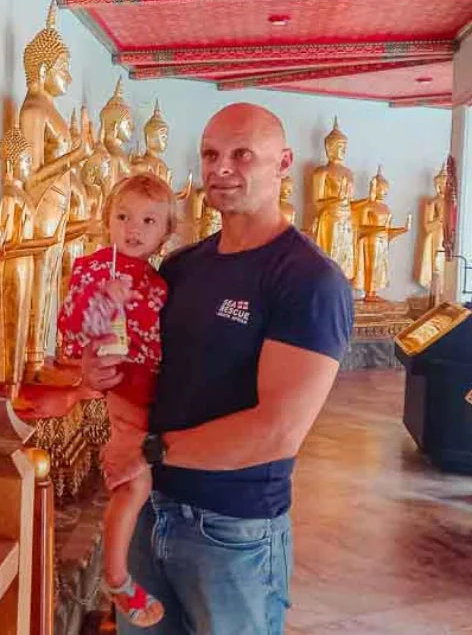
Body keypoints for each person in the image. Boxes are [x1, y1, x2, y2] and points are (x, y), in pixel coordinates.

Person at [82, 103, 354, 635]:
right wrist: (97, 374)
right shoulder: (181, 267)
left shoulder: (308, 280)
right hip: (151, 509)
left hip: (233, 532)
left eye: (242, 154)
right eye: (210, 154)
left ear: (283, 163)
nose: (221, 167)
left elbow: (277, 431)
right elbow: (150, 371)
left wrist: (150, 450)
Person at [58, 174, 176, 626]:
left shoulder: (158, 284)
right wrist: (105, 303)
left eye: (149, 220)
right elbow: (74, 327)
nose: (134, 228)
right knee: (135, 485)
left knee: (137, 482)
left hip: (151, 391)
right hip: (124, 387)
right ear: (107, 219)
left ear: (164, 233)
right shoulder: (93, 267)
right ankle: (117, 578)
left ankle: (121, 580)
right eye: (123, 216)